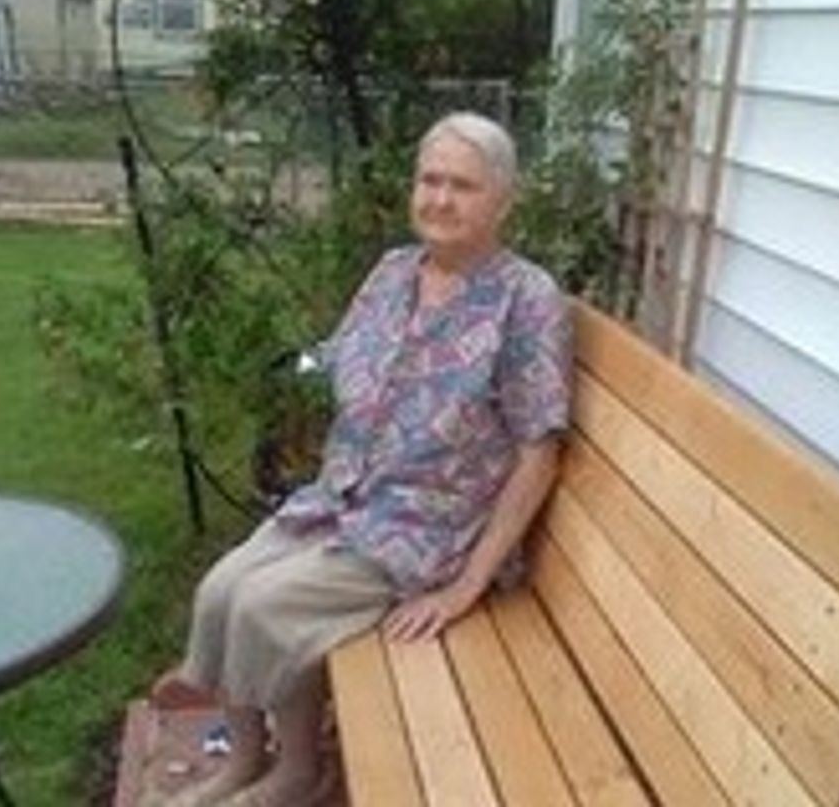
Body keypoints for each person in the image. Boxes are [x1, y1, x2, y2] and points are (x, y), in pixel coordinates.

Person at [153, 111, 572, 807]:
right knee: (222, 588)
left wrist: (466, 587)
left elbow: (539, 452)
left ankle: (297, 773)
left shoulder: (526, 300)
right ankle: (243, 761)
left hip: (424, 529)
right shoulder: (393, 272)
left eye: (463, 186)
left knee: (264, 606)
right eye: (430, 180)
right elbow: (342, 361)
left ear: (503, 201)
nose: (440, 199)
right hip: (344, 498)